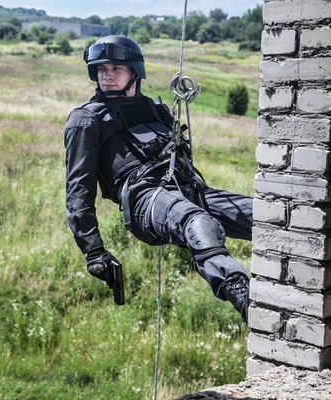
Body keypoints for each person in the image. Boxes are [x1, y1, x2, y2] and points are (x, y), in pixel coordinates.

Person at [64, 35, 253, 322]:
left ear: (134, 72)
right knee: (197, 222)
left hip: (188, 189)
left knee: (265, 215)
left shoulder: (156, 109)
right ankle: (248, 298)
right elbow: (78, 189)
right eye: (101, 69)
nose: (107, 76)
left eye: (116, 69)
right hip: (144, 199)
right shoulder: (87, 119)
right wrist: (94, 251)